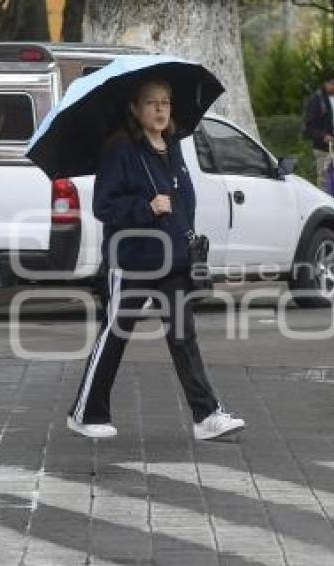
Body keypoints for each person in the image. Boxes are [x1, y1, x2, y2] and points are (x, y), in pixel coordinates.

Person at [67, 78, 245, 440]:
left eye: (165, 102)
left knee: (184, 336)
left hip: (173, 259)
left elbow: (181, 199)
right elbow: (104, 205)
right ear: (135, 108)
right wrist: (146, 208)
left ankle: (206, 415)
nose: (161, 109)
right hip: (131, 259)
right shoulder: (120, 149)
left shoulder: (172, 145)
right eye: (152, 103)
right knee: (115, 334)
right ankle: (85, 413)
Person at [303, 69, 334, 198]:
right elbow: (309, 125)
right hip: (323, 144)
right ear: (325, 83)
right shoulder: (316, 99)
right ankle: (324, 201)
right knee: (324, 175)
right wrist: (322, 135)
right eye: (331, 83)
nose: (333, 87)